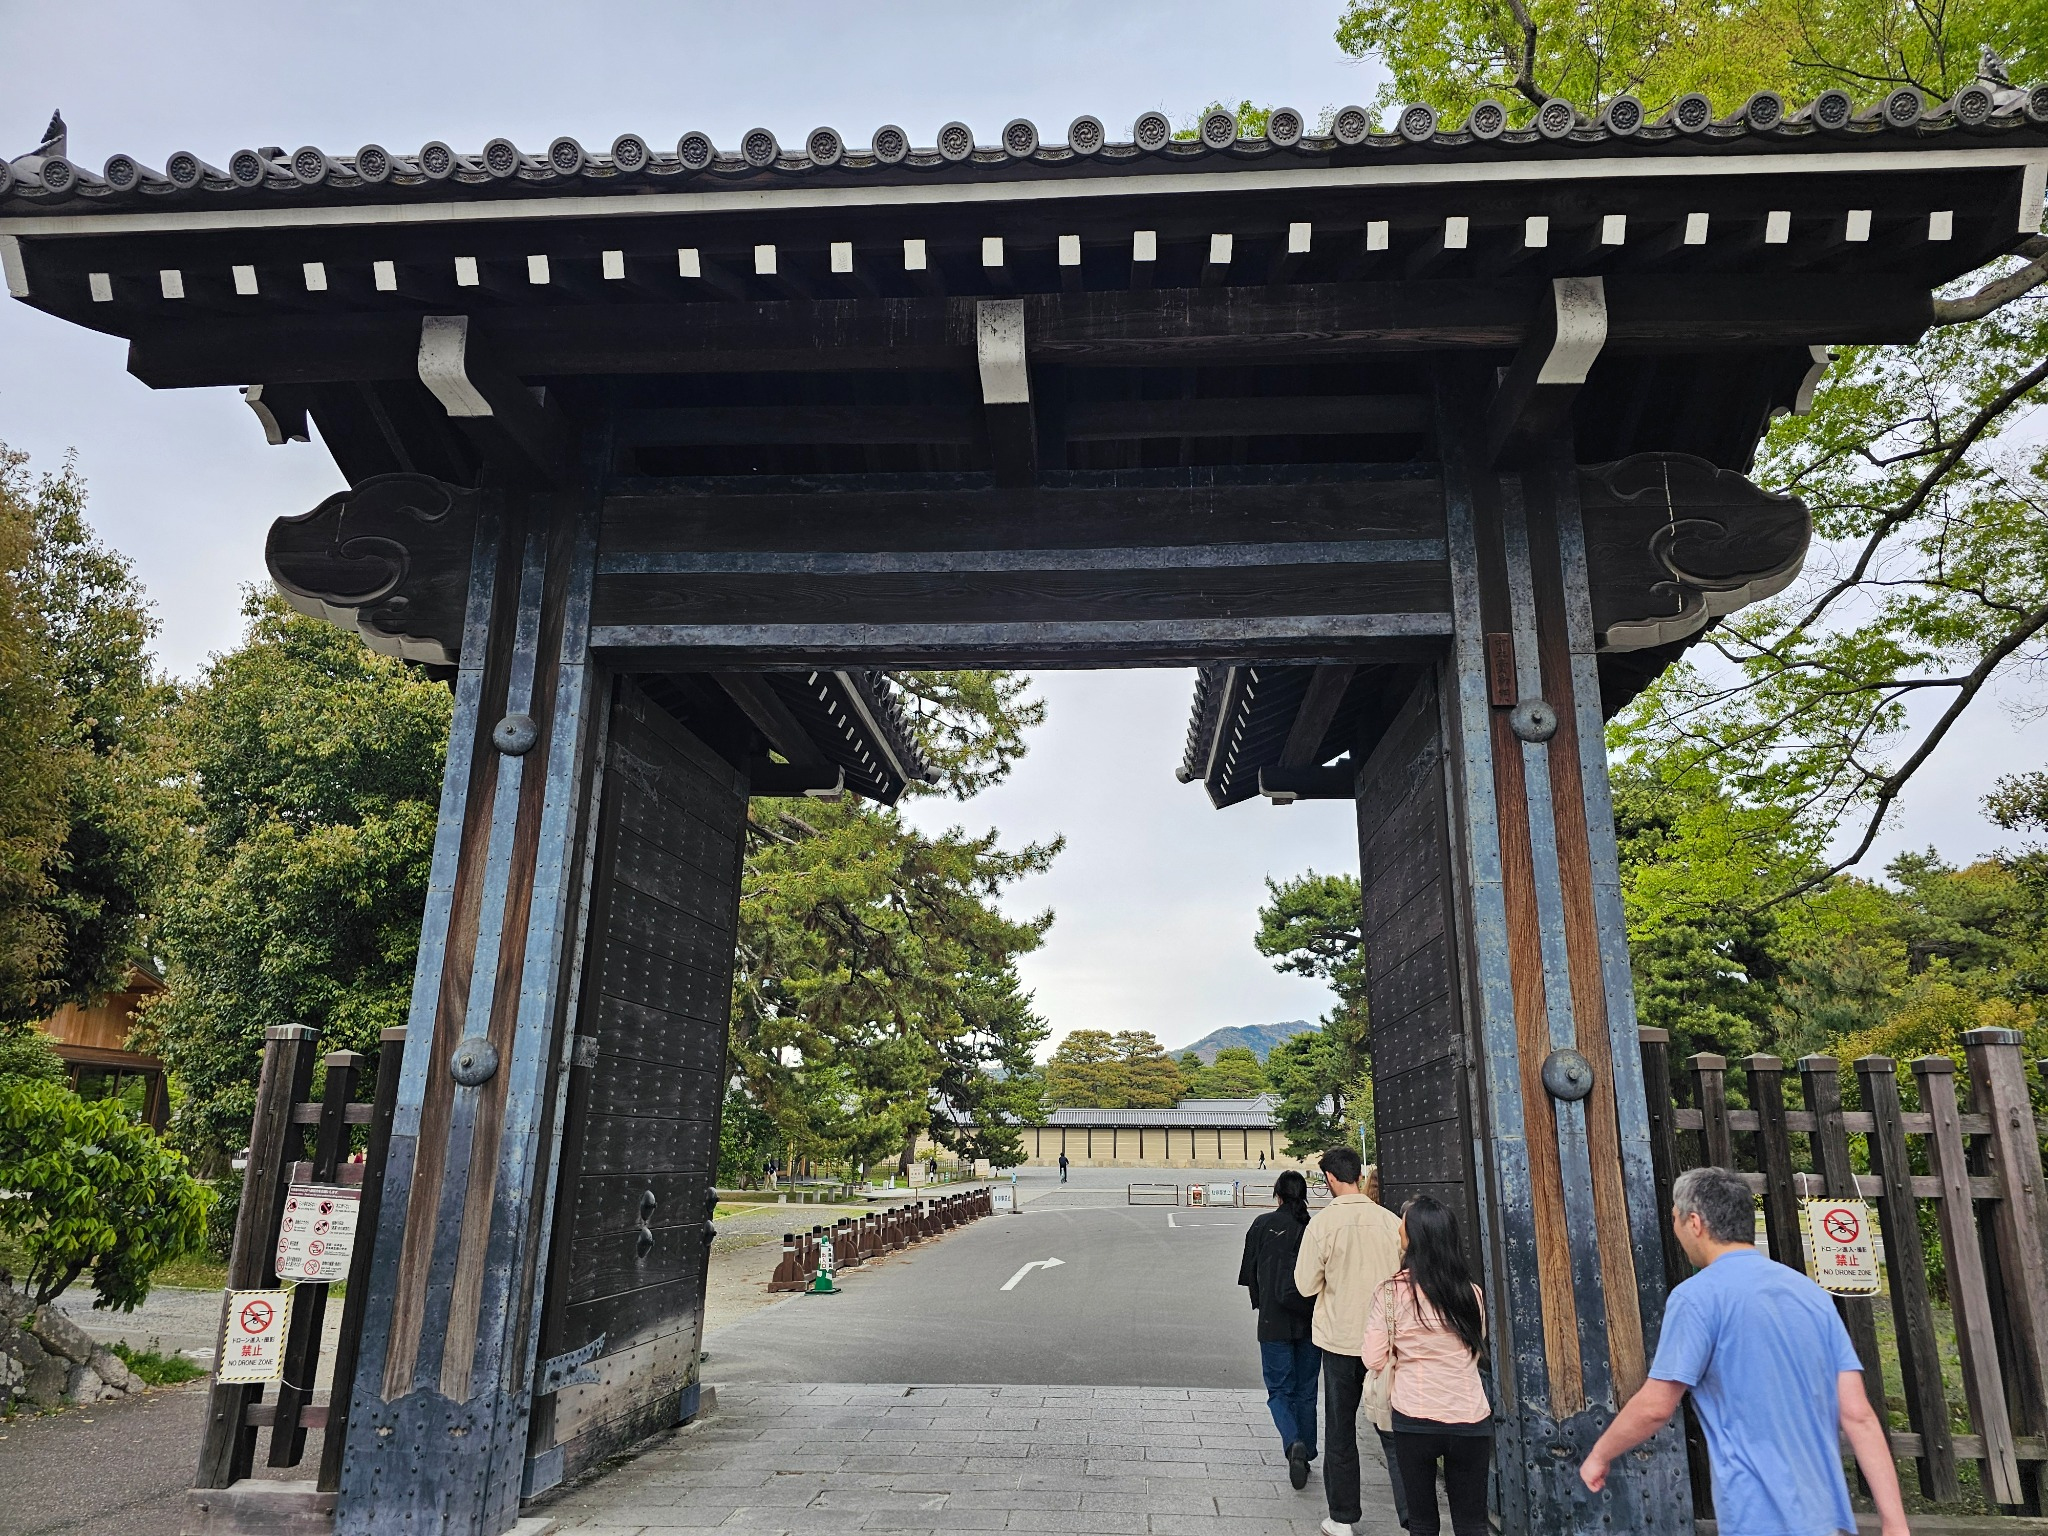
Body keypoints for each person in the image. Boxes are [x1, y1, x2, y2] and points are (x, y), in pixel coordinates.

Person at [1580, 1166, 1909, 1536]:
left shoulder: (1697, 1297)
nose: (1675, 1230)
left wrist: (1599, 1454)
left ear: (1695, 1222)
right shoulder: (1810, 1295)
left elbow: (1656, 1406)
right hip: (1828, 1520)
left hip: (1758, 1516)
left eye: (1675, 1218)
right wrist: (1894, 1522)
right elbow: (1857, 1414)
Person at [1296, 1147, 1408, 1536]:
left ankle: (1342, 1517)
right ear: (1358, 1175)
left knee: (1341, 1429)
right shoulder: (1389, 1221)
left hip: (1342, 1339)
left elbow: (1305, 1283)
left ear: (1329, 1178)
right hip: (1389, 1339)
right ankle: (1414, 1517)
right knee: (1394, 1429)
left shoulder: (1323, 1224)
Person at [1365, 1197, 1492, 1536]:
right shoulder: (1472, 1293)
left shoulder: (1392, 1292)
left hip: (1414, 1414)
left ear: (1415, 1235)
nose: (1398, 1228)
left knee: (1422, 1523)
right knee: (1472, 1522)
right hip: (1470, 1416)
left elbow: (1373, 1358)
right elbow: (1474, 1347)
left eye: (1403, 1223)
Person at [1239, 1170, 1321, 1487]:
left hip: (1273, 1321)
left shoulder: (1262, 1225)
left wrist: (1262, 1301)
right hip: (1309, 1321)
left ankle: (1292, 1443)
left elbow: (1250, 1274)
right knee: (1306, 1391)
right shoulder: (1312, 1227)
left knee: (1279, 1391)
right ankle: (1308, 1451)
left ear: (1278, 1195)